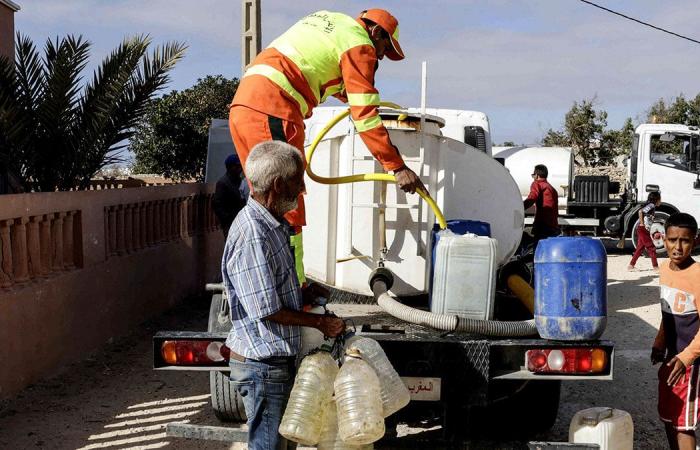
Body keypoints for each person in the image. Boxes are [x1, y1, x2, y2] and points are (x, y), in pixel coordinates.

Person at [228, 8, 426, 283]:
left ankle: (258, 284)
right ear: (376, 32)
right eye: (384, 48)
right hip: (275, 108)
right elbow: (365, 118)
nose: (380, 56)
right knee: (286, 203)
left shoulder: (329, 21)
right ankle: (294, 294)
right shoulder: (360, 45)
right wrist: (397, 166)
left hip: (245, 105)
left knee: (263, 204)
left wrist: (361, 88)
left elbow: (323, 72)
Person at [222, 141, 346, 450]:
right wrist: (320, 325)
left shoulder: (272, 223)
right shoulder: (254, 233)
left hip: (275, 359)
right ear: (278, 184)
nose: (303, 188)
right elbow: (266, 308)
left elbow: (270, 288)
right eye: (298, 180)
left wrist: (304, 292)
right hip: (262, 363)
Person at [651, 212, 700, 450]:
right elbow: (667, 312)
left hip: (691, 365)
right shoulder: (664, 269)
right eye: (672, 240)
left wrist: (686, 358)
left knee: (684, 425)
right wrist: (660, 341)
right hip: (671, 360)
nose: (678, 247)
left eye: (685, 241)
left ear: (695, 241)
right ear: (663, 239)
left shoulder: (698, 276)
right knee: (669, 419)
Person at [213, 153, 249, 237]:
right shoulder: (223, 183)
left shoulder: (240, 182)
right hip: (230, 224)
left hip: (242, 221)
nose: (239, 169)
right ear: (230, 167)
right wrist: (227, 220)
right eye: (237, 166)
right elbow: (217, 205)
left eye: (240, 166)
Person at [523, 164, 560, 245]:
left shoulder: (537, 184)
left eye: (533, 175)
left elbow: (532, 197)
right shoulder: (552, 188)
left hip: (542, 224)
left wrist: (521, 207)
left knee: (538, 249)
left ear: (537, 175)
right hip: (553, 224)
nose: (533, 177)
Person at [628, 191, 661, 272]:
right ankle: (656, 267)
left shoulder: (651, 206)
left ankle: (631, 266)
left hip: (642, 229)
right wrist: (642, 224)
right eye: (660, 199)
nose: (661, 201)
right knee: (652, 248)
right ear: (656, 199)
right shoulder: (651, 205)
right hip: (643, 229)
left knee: (640, 248)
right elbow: (641, 211)